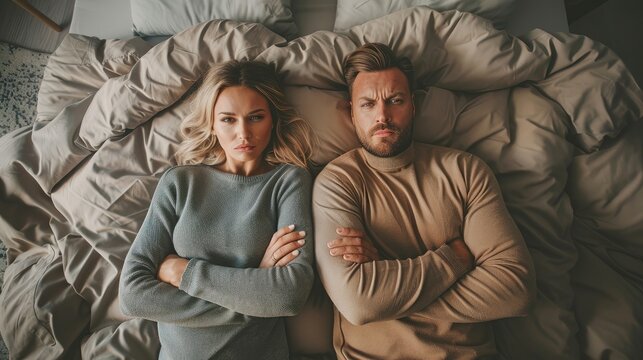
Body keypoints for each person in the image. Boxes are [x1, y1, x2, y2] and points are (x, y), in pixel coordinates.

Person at [313, 43, 536, 359]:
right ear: (351, 111)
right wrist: (454, 259)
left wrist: (389, 292)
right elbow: (359, 303)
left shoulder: (465, 171)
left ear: (413, 105)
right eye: (368, 104)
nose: (383, 116)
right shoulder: (338, 182)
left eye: (395, 101)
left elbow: (516, 290)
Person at [119, 60, 315, 359]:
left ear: (273, 119)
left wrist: (183, 272)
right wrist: (254, 290)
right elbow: (133, 295)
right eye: (228, 120)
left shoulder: (288, 181)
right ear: (211, 122)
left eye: (256, 117)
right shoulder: (180, 181)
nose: (243, 134)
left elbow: (288, 296)